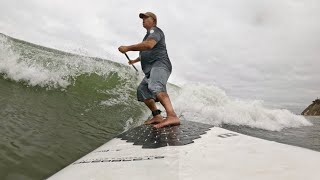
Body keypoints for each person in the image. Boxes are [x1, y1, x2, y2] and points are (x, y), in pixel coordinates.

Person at [118, 12, 180, 128]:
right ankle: (157, 115)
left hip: (160, 65)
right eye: (143, 18)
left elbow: (149, 45)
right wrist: (134, 61)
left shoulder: (155, 31)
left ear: (154, 21)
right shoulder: (146, 37)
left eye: (146, 18)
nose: (143, 20)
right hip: (150, 71)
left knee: (155, 85)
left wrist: (128, 48)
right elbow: (145, 53)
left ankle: (172, 116)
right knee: (142, 90)